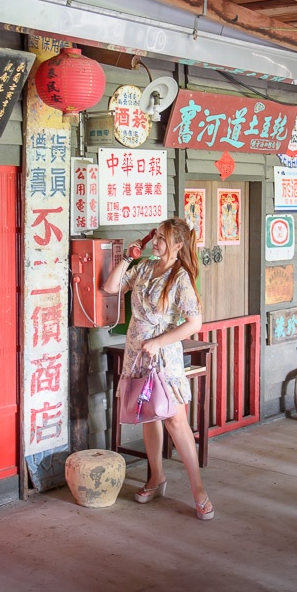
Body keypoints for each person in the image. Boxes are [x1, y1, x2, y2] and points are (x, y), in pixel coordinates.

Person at [101, 217, 214, 521]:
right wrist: (128, 257)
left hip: (164, 355)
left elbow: (194, 323)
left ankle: (198, 488)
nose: (156, 243)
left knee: (175, 420)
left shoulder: (181, 277)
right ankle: (156, 478)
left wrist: (160, 341)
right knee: (148, 414)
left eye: (163, 239)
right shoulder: (146, 267)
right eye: (156, 237)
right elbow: (110, 288)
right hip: (137, 351)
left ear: (178, 244)